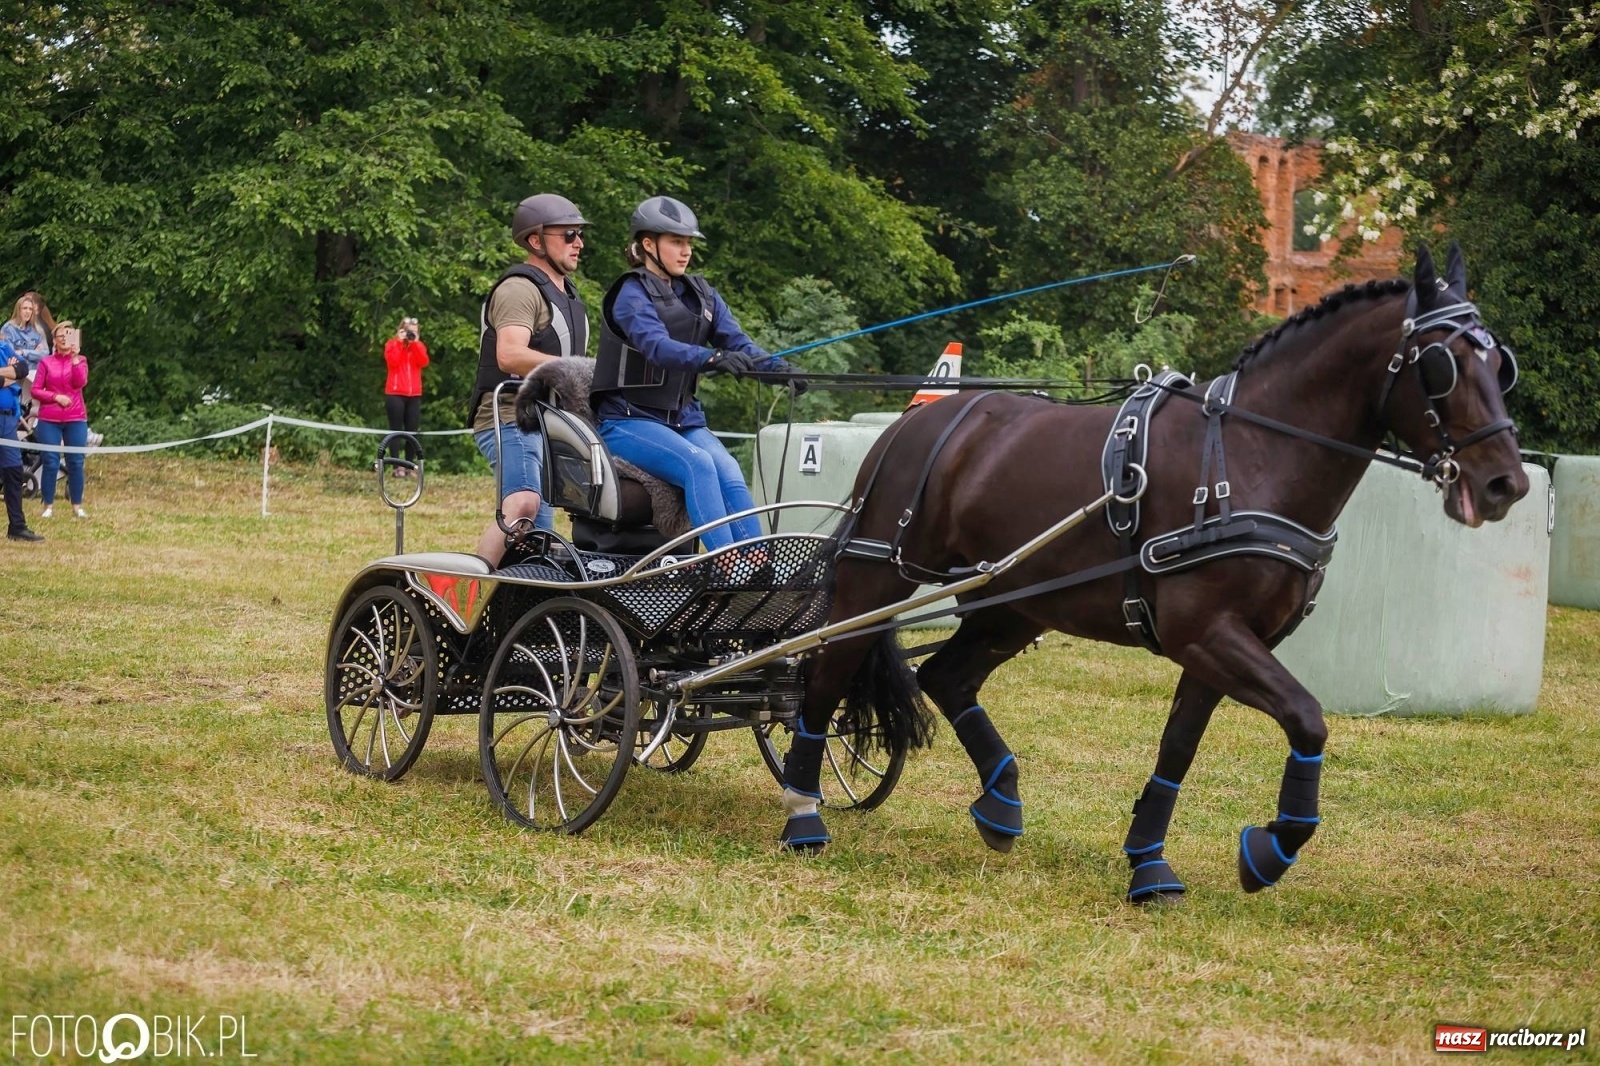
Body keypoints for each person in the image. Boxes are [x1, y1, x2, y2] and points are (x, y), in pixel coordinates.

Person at [591, 196, 805, 552]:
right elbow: (657, 346)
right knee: (699, 465)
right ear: (648, 244)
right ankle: (724, 564)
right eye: (676, 241)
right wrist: (713, 358)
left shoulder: (703, 295)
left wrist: (777, 369)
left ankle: (757, 563)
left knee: (730, 471)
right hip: (627, 420)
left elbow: (739, 343)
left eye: (688, 242)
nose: (686, 251)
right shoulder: (630, 294)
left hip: (683, 418)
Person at [470, 193, 590, 565]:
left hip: (546, 421)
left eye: (580, 235)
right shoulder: (520, 289)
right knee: (522, 504)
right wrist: (577, 370)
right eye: (568, 234)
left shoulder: (567, 295)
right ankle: (463, 596)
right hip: (509, 416)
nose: (579, 243)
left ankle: (521, 611)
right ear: (536, 241)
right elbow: (509, 354)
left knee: (539, 537)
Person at [32, 320, 89, 520]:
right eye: (61, 336)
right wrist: (55, 397)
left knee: (75, 462)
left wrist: (74, 359)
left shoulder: (80, 360)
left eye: (69, 335)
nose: (65, 339)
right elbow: (35, 390)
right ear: (54, 341)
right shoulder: (46, 362)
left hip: (75, 417)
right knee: (51, 462)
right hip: (49, 418)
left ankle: (77, 505)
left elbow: (80, 382)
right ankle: (48, 505)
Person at [0, 337, 42, 541]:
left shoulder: (3, 348)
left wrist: (13, 374)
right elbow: (11, 377)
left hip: (7, 420)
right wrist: (8, 374)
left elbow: (23, 369)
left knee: (14, 471)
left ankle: (17, 526)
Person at [383, 315, 428, 474]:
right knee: (396, 430)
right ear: (401, 331)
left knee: (412, 430)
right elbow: (393, 362)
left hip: (414, 394)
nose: (411, 335)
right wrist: (400, 344)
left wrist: (414, 344)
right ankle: (396, 466)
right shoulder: (392, 344)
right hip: (395, 393)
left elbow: (423, 362)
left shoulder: (419, 346)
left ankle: (409, 465)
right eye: (409, 332)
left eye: (414, 332)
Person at [3, 292, 55, 408]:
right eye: (24, 308)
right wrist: (34, 353)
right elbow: (11, 356)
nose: (27, 311)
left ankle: (34, 420)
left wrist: (23, 352)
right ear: (19, 310)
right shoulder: (9, 329)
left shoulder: (37, 330)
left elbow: (45, 354)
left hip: (34, 373)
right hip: (16, 373)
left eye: (30, 309)